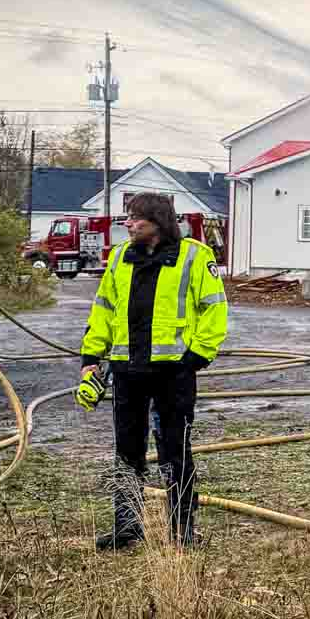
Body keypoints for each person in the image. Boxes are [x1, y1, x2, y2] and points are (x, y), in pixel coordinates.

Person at [79, 193, 228, 550]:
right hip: (127, 372)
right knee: (127, 452)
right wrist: (90, 358)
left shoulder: (194, 256)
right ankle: (127, 528)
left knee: (175, 452)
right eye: (128, 219)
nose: (128, 225)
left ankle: (182, 532)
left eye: (135, 219)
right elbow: (103, 310)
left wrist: (195, 357)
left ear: (158, 222)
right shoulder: (119, 258)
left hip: (173, 375)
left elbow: (214, 310)